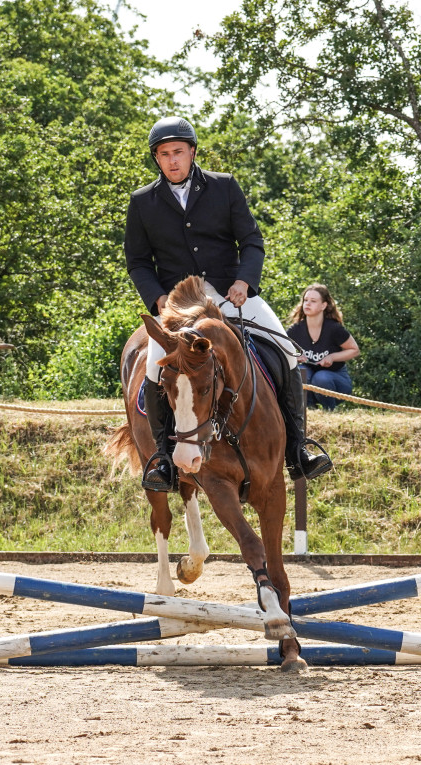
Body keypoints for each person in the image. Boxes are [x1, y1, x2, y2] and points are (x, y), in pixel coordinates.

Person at [124, 116, 333, 491]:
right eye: (164, 154)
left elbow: (251, 241)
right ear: (156, 158)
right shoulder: (142, 202)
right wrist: (156, 298)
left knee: (286, 351)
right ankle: (162, 461)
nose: (172, 161)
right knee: (156, 370)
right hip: (177, 305)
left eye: (178, 152)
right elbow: (138, 261)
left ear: (192, 152)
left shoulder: (224, 186)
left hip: (229, 294)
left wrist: (244, 280)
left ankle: (299, 451)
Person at [287, 283, 360, 411]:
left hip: (336, 380)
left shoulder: (334, 329)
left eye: (313, 301)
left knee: (321, 378)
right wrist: (295, 356)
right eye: (305, 300)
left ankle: (329, 411)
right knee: (300, 373)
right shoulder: (296, 330)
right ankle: (308, 410)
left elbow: (354, 350)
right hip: (309, 377)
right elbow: (280, 349)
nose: (307, 304)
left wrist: (332, 357)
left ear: (323, 305)